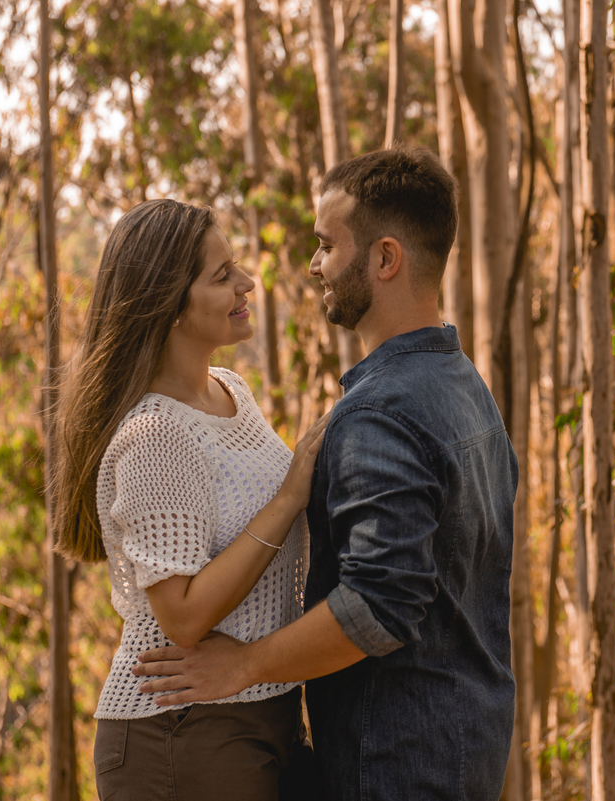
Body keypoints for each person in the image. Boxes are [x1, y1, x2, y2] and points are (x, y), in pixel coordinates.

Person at [133, 148, 519, 800]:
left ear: (385, 259)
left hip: (395, 762)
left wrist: (244, 665)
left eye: (326, 245)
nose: (314, 265)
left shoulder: (381, 411)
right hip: (467, 747)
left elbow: (379, 605)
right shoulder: (465, 386)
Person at [52, 199, 329, 800]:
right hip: (180, 729)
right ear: (169, 305)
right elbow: (182, 616)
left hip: (261, 710)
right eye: (222, 274)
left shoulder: (232, 391)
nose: (245, 282)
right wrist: (287, 499)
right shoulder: (155, 437)